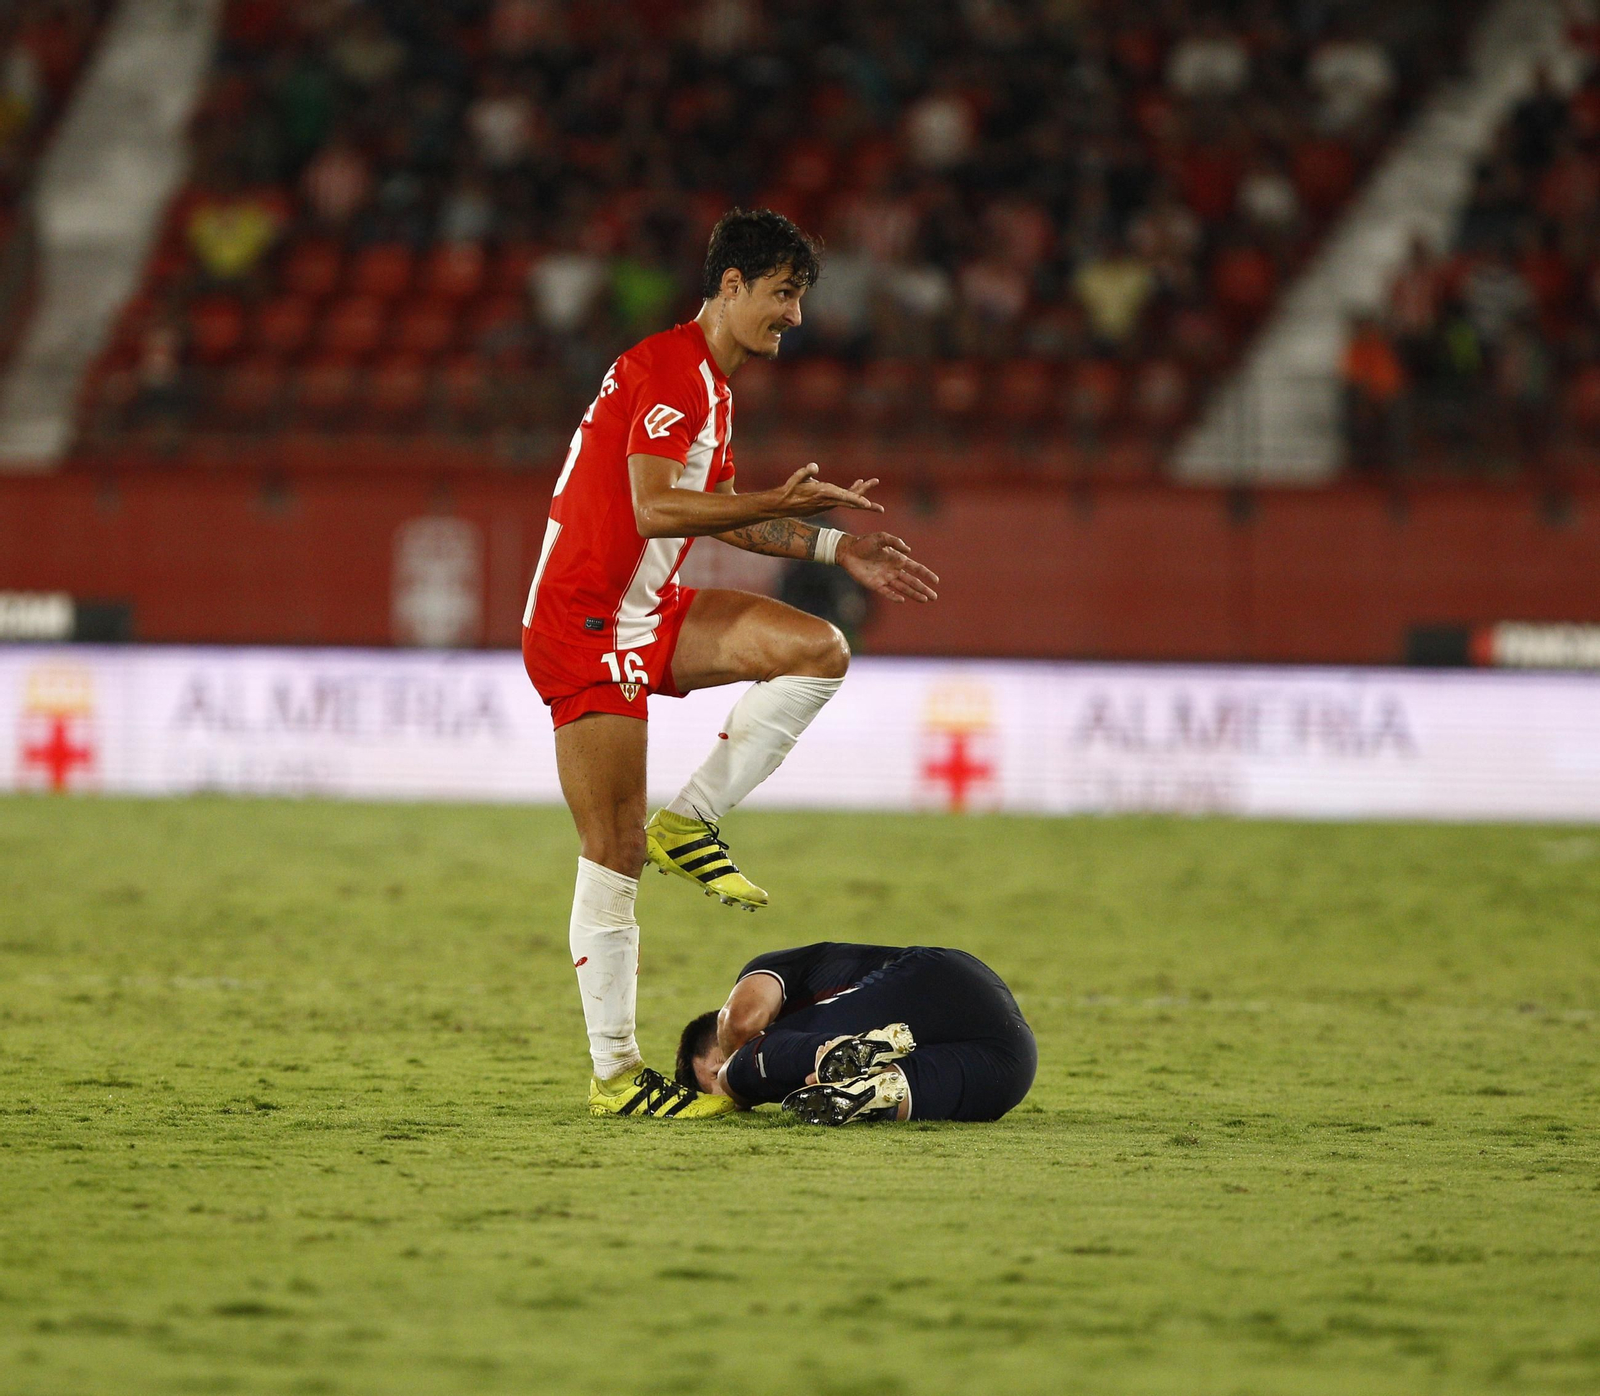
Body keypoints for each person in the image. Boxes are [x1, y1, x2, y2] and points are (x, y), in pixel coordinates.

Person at [521, 208, 940, 1120]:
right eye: (784, 293)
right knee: (612, 851)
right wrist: (768, 499)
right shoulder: (669, 367)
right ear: (732, 286)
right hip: (586, 624)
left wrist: (832, 548)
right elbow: (655, 510)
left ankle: (694, 821)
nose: (795, 315)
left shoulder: (710, 384)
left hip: (651, 610)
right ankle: (617, 1075)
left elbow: (717, 512)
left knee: (818, 648)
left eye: (801, 297)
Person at [675, 942, 1037, 1125]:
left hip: (940, 982)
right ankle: (865, 1084)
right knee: (889, 1094)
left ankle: (852, 1058)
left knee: (743, 1070)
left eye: (713, 1070)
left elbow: (739, 1022)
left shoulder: (770, 970)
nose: (722, 1096)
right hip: (1008, 1066)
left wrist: (733, 1075)